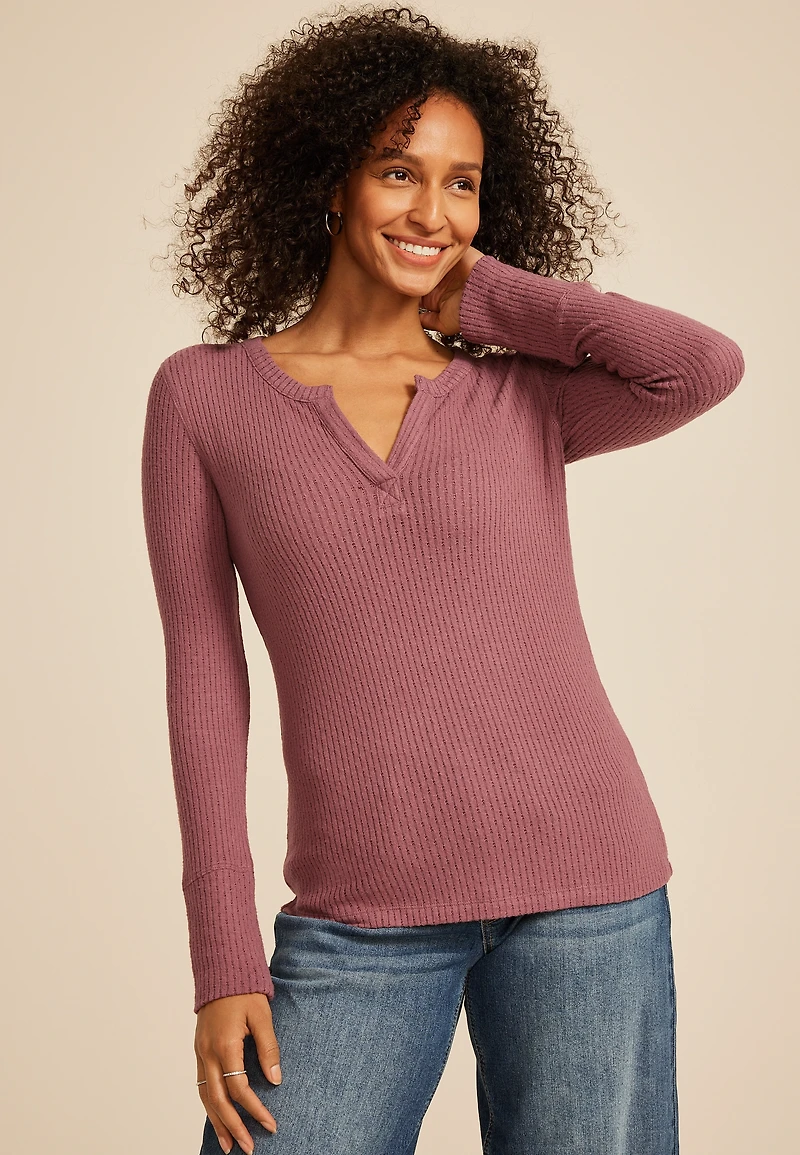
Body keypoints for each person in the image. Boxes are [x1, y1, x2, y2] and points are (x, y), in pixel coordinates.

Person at [140, 7, 745, 1153]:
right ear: (327, 180)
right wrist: (223, 959)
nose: (432, 211)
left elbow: (699, 366)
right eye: (397, 172)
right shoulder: (204, 397)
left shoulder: (521, 395)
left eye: (460, 184)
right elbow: (203, 679)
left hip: (587, 889)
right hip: (359, 916)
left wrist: (495, 297)